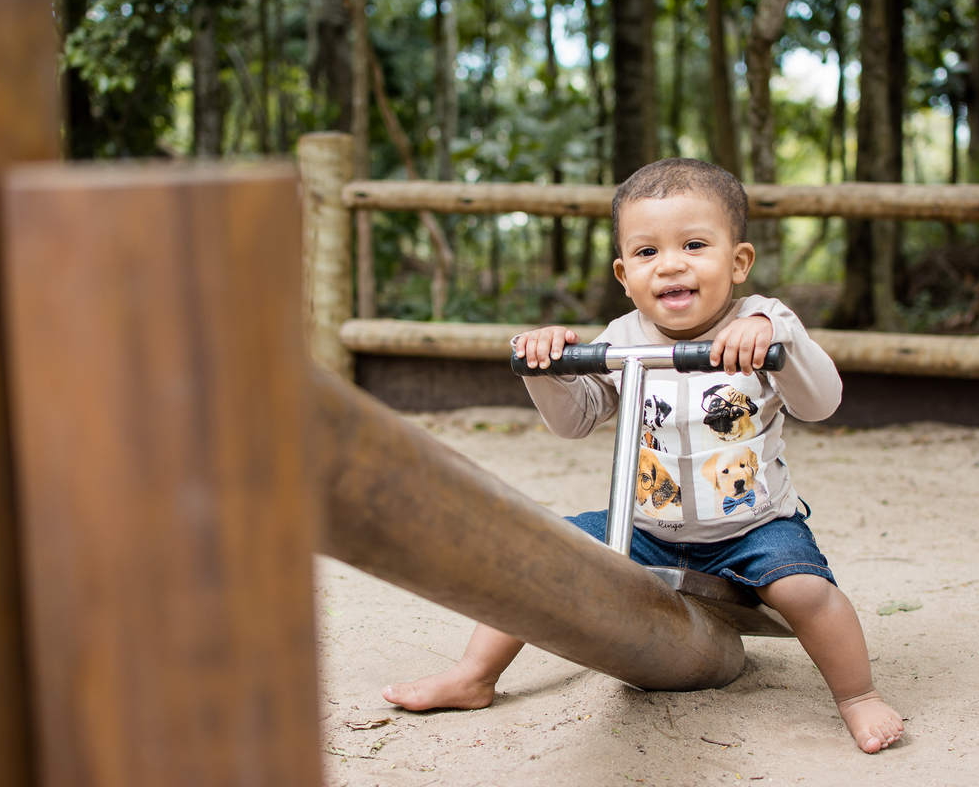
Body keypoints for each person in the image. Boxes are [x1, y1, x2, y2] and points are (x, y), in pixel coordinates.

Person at [382, 158, 904, 753]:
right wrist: (547, 369)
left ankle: (857, 696)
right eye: (647, 252)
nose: (672, 263)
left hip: (753, 526)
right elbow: (574, 420)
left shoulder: (761, 323)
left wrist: (773, 334)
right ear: (625, 274)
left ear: (738, 262)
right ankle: (474, 675)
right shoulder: (622, 338)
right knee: (537, 550)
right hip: (646, 525)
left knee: (804, 592)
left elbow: (822, 403)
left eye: (695, 244)